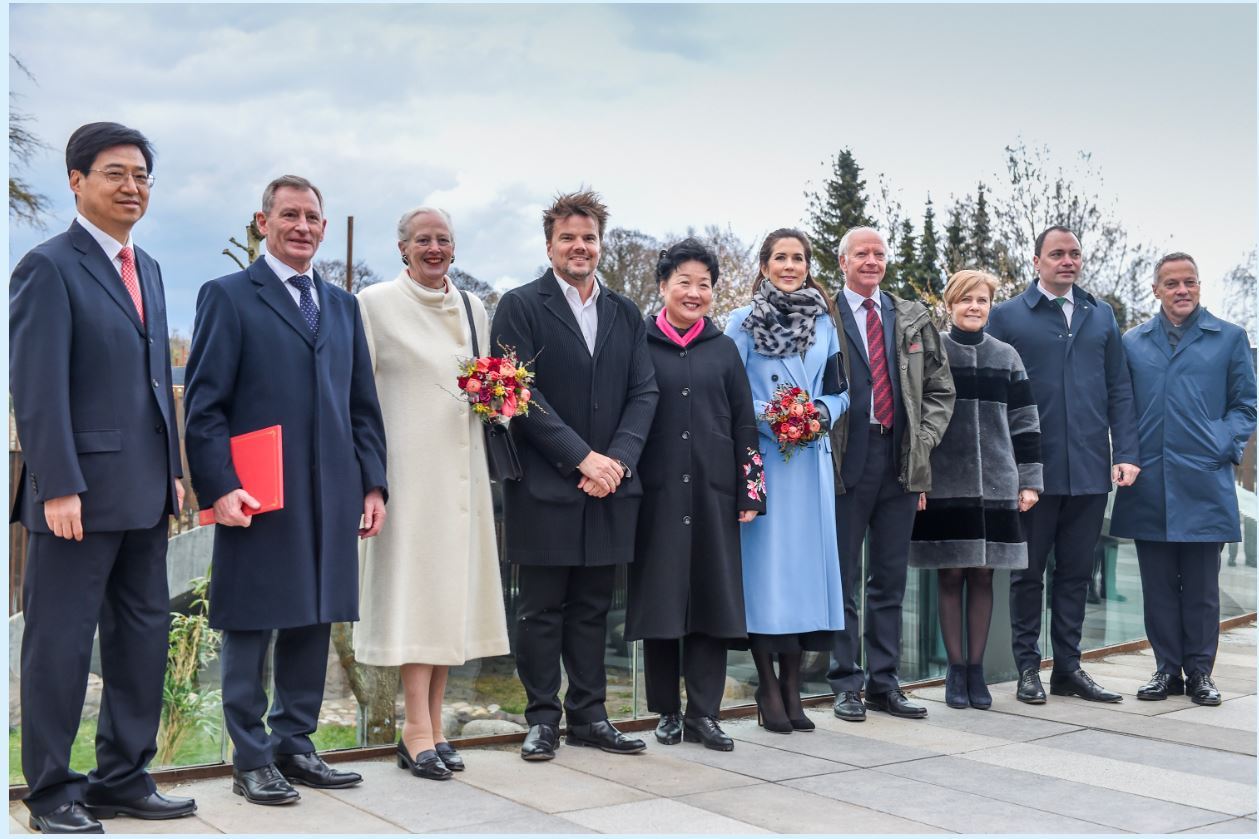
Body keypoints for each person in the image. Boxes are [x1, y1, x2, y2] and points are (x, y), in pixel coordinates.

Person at [9, 122, 197, 833]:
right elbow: (37, 385)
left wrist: (174, 472)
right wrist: (55, 483)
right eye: (115, 173)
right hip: (75, 498)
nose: (132, 187)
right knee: (58, 641)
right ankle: (51, 793)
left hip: (147, 491)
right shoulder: (47, 267)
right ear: (77, 180)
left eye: (143, 175)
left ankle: (123, 777)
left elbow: (155, 385)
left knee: (141, 637)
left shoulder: (147, 266)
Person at [184, 175, 388, 804]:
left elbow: (362, 404)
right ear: (263, 221)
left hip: (332, 492)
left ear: (324, 228)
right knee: (251, 623)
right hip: (257, 493)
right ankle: (250, 759)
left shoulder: (343, 306)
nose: (302, 226)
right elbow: (204, 406)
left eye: (312, 217)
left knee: (313, 617)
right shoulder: (227, 296)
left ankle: (295, 746)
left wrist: (373, 483)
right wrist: (219, 487)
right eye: (289, 215)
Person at [490, 189, 659, 761]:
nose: (579, 247)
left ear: (600, 245)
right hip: (543, 485)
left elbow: (644, 391)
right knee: (540, 609)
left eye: (588, 238)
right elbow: (519, 390)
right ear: (550, 245)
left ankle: (590, 716)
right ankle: (542, 718)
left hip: (610, 486)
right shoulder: (519, 305)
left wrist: (615, 462)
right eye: (568, 238)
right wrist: (580, 458)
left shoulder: (625, 312)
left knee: (593, 607)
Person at [354, 207, 510, 779]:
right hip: (407, 478)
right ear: (402, 248)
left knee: (450, 604)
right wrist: (366, 477)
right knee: (417, 601)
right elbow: (358, 395)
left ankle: (436, 725)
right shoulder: (373, 304)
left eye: (443, 239)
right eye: (423, 239)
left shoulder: (474, 308)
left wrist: (503, 397)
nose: (434, 248)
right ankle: (413, 727)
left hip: (464, 477)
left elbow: (486, 387)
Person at [987, 225, 1140, 704]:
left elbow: (1119, 387)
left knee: (1075, 574)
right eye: (1057, 254)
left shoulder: (1101, 315)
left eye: (1074, 253)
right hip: (1032, 472)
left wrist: (1128, 451)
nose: (1067, 261)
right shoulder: (1008, 316)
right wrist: (1005, 465)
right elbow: (992, 396)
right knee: (1028, 575)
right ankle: (1028, 669)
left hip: (1090, 469)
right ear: (1037, 261)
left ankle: (1069, 669)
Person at [627, 238, 765, 752]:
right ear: (662, 286)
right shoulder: (637, 342)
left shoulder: (723, 348)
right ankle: (665, 711)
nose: (694, 292)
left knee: (712, 600)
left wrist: (751, 489)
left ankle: (704, 714)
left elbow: (745, 422)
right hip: (655, 495)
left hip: (714, 494)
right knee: (662, 603)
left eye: (704, 284)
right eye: (683, 282)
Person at [1110, 252, 1256, 705]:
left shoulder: (1229, 339)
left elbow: (1246, 406)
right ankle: (1165, 670)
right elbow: (1122, 407)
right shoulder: (1132, 342)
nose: (1182, 290)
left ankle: (1200, 673)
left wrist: (1219, 443)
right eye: (1171, 283)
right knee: (1157, 587)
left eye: (1189, 282)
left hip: (1203, 482)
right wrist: (1127, 454)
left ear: (1199, 285)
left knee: (1200, 588)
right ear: (1156, 290)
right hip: (1148, 482)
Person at [826, 227, 956, 723]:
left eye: (879, 254)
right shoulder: (824, 315)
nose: (872, 261)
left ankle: (885, 683)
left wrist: (921, 443)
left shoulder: (911, 316)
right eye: (862, 253)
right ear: (843, 262)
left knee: (890, 581)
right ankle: (845, 683)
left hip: (901, 462)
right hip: (844, 463)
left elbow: (941, 391)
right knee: (841, 581)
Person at [725, 228, 850, 733]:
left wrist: (816, 411)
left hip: (811, 462)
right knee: (766, 578)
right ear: (764, 264)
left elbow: (841, 391)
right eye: (781, 257)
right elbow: (727, 392)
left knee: (802, 576)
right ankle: (766, 684)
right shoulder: (741, 322)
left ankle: (794, 686)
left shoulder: (826, 323)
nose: (790, 265)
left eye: (798, 258)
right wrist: (773, 415)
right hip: (767, 463)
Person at [909, 270, 1043, 710]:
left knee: (985, 575)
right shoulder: (934, 354)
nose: (974, 307)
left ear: (990, 306)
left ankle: (976, 671)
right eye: (966, 299)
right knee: (950, 574)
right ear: (950, 304)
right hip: (945, 482)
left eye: (982, 300)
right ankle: (954, 670)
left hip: (998, 484)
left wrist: (1029, 479)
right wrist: (919, 477)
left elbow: (1025, 422)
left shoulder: (1006, 357)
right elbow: (916, 420)